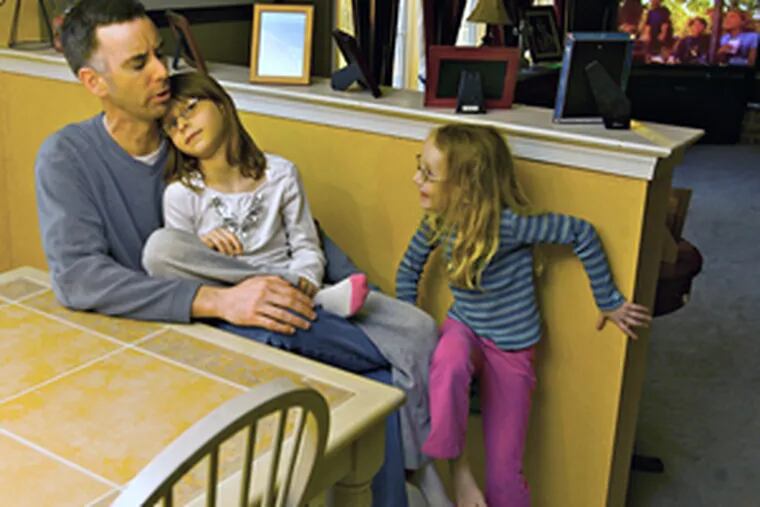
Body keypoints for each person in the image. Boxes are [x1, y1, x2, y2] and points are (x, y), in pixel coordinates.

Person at [34, 1, 443, 505]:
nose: (162, 72)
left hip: (270, 305)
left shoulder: (192, 137)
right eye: (139, 63)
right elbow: (78, 278)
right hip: (180, 340)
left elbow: (293, 227)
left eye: (159, 52)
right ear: (94, 82)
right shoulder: (67, 157)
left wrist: (360, 292)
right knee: (375, 371)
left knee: (392, 362)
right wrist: (219, 301)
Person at [395, 124, 652, 507]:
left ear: (465, 187)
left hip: (511, 347)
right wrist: (412, 328)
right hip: (465, 327)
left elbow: (581, 233)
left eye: (428, 174)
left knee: (505, 473)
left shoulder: (510, 226)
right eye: (420, 167)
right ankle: (454, 470)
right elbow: (408, 271)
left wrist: (608, 300)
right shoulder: (437, 223)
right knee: (447, 362)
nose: (416, 179)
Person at [143, 72, 370, 319]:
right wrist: (202, 244)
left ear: (221, 104)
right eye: (171, 125)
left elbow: (306, 246)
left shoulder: (282, 175)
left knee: (390, 313)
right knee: (160, 249)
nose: (182, 125)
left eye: (190, 109)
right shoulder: (181, 193)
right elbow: (177, 266)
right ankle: (307, 298)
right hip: (228, 293)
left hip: (283, 272)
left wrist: (307, 279)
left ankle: (298, 294)